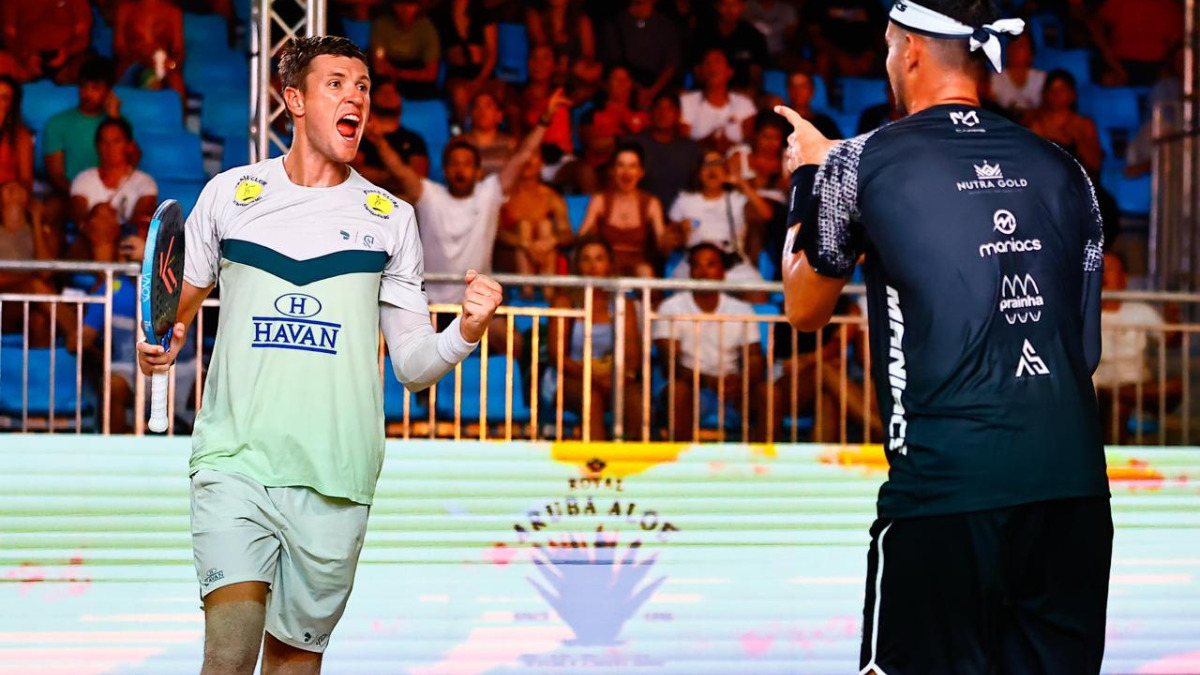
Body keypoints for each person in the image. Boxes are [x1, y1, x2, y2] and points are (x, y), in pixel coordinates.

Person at [135, 36, 502, 671]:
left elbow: (413, 366)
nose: (354, 95)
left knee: (292, 664)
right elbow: (174, 312)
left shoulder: (391, 217)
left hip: (338, 473)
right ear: (295, 101)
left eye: (362, 85)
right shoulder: (231, 195)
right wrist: (158, 346)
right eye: (336, 83)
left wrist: (463, 333)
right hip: (236, 460)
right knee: (228, 653)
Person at [777, 1, 1110, 672]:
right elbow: (1086, 349)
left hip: (946, 493)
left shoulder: (858, 163)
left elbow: (803, 309)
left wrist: (807, 175)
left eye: (886, 47)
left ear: (910, 52)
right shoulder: (1065, 169)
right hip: (1073, 492)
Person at [376, 88, 569, 315]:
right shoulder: (429, 195)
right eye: (454, 164)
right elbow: (399, 170)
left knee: (514, 343)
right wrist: (377, 140)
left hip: (475, 309)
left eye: (467, 164)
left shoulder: (488, 194)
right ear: (445, 170)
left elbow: (523, 155)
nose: (460, 170)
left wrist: (545, 119)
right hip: (427, 308)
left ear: (479, 172)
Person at [654, 243, 769, 442]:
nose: (703, 272)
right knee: (678, 390)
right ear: (689, 272)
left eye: (711, 265)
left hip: (733, 389)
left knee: (769, 393)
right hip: (691, 388)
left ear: (723, 273)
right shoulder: (671, 307)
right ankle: (680, 465)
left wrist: (741, 383)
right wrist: (710, 382)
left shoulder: (742, 310)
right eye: (697, 265)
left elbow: (755, 359)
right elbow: (669, 365)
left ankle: (764, 466)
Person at [545, 236, 644, 440]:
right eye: (586, 259)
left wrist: (613, 378)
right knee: (591, 397)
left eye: (599, 259)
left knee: (636, 399)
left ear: (609, 264)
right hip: (568, 377)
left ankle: (632, 466)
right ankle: (596, 467)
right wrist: (594, 379)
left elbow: (633, 357)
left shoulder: (623, 304)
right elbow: (558, 357)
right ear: (577, 265)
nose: (592, 265)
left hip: (612, 375)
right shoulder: (564, 301)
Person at [1093, 251, 1182, 443]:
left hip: (1138, 387)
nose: (1103, 275)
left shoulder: (1140, 311)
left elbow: (1170, 341)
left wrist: (1174, 320)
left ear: (1124, 278)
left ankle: (1115, 393)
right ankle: (1113, 466)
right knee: (1118, 405)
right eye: (1098, 269)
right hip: (1098, 390)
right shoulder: (1083, 315)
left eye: (1109, 269)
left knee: (1175, 387)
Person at [667, 150, 773, 283]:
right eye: (706, 165)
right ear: (698, 172)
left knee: (758, 294)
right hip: (694, 264)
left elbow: (766, 215)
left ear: (725, 171)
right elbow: (668, 241)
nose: (712, 169)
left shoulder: (737, 200)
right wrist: (680, 234)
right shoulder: (684, 201)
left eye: (717, 164)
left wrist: (741, 183)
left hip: (732, 264)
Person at [578, 142, 674, 278]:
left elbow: (662, 247)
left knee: (645, 271)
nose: (626, 172)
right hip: (605, 265)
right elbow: (582, 238)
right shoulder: (599, 200)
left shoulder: (651, 203)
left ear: (641, 172)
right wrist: (589, 234)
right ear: (612, 171)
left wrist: (670, 240)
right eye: (620, 165)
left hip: (637, 267)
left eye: (632, 166)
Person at [68, 118, 158, 245]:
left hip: (124, 247)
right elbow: (80, 218)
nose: (109, 148)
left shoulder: (145, 183)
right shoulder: (83, 179)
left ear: (129, 146)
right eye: (104, 142)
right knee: (100, 217)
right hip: (89, 245)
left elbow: (138, 222)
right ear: (97, 146)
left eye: (116, 141)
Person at [495, 149, 572, 298]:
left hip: (544, 256)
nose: (528, 162)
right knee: (524, 226)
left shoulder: (550, 197)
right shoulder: (503, 195)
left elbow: (566, 233)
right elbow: (495, 232)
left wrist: (549, 242)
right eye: (524, 157)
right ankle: (527, 292)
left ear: (541, 163)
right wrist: (524, 243)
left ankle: (548, 294)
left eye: (533, 157)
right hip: (509, 258)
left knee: (545, 226)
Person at [43, 57, 124, 195]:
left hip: (112, 194)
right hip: (71, 194)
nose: (88, 94)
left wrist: (114, 119)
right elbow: (56, 175)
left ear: (108, 92)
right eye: (84, 86)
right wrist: (80, 196)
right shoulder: (57, 123)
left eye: (96, 88)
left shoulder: (118, 123)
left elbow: (129, 164)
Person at [598, 0, 682, 110]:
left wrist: (652, 91)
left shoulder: (666, 26)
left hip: (657, 94)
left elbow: (671, 64)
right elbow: (613, 62)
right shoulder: (614, 23)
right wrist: (636, 89)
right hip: (625, 90)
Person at [352, 79, 430, 196]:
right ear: (371, 100)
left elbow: (418, 179)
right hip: (362, 197)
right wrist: (394, 177)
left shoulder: (414, 139)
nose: (388, 96)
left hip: (404, 200)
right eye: (383, 92)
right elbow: (353, 172)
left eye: (393, 92)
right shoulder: (358, 135)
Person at [628, 92, 704, 212]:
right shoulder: (633, 144)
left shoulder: (692, 148)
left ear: (678, 114)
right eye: (658, 107)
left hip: (682, 217)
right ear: (650, 113)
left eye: (669, 108)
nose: (663, 113)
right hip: (641, 215)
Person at [1029, 69, 1104, 177]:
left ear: (1072, 94)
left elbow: (1095, 165)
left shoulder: (1085, 124)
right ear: (1045, 94)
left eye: (1061, 90)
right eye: (1052, 90)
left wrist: (1080, 141)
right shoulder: (1037, 126)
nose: (1056, 95)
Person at [1090, 0, 1184, 86]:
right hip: (1119, 63)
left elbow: (1177, 48)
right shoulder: (1120, 2)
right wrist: (1112, 62)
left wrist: (1167, 69)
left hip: (1156, 67)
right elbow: (1096, 27)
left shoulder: (1169, 6)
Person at [680, 49, 758, 152]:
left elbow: (751, 142)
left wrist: (730, 145)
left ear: (729, 71)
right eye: (707, 63)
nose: (712, 68)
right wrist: (707, 142)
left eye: (717, 62)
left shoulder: (744, 103)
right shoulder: (686, 102)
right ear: (701, 71)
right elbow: (682, 143)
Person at [0, 0, 92, 84]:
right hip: (25, 59)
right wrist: (26, 55)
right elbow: (8, 35)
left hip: (68, 59)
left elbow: (82, 36)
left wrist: (66, 52)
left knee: (90, 68)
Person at [526, 0, 603, 100]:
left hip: (575, 81)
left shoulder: (582, 21)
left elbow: (589, 58)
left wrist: (579, 68)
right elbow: (541, 53)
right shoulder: (536, 17)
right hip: (546, 80)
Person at [113, 0, 187, 102]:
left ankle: (177, 115)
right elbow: (119, 48)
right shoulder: (125, 10)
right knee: (122, 72)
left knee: (176, 81)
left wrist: (169, 65)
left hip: (162, 66)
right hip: (131, 63)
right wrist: (139, 57)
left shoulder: (174, 13)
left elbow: (179, 52)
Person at [693, 0, 769, 93]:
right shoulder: (702, 34)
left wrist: (746, 94)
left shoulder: (754, 36)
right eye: (725, 5)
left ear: (743, 6)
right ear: (717, 6)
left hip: (743, 93)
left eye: (734, 5)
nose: (729, 10)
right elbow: (698, 72)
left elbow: (756, 77)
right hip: (707, 92)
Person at [369, 0, 441, 100]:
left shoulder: (427, 28)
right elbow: (379, 65)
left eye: (410, 4)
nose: (405, 9)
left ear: (418, 7)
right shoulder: (381, 25)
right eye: (400, 3)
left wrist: (401, 73)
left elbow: (431, 73)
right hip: (387, 75)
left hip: (414, 75)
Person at [803, 0, 888, 80]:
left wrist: (870, 54)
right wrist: (838, 55)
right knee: (822, 59)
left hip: (866, 53)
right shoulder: (817, 3)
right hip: (833, 52)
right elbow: (814, 35)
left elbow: (882, 31)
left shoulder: (870, 3)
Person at [432, 0, 497, 91]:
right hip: (457, 73)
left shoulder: (483, 13)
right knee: (460, 94)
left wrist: (480, 79)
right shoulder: (441, 14)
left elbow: (492, 53)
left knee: (499, 92)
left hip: (482, 71)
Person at [460, 89, 516, 177]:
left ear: (499, 115)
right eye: (477, 106)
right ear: (471, 114)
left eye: (488, 106)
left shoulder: (510, 143)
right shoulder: (461, 143)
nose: (482, 111)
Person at [988, 33, 1044, 121]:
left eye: (1021, 46)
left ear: (1031, 54)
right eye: (1012, 46)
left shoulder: (1042, 79)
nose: (1015, 50)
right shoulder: (994, 79)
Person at [592, 66, 650, 138]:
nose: (621, 82)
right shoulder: (595, 115)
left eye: (625, 79)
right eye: (616, 79)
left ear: (631, 84)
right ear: (607, 84)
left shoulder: (643, 117)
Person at [787, 71, 843, 140]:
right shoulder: (780, 121)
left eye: (803, 87)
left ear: (812, 91)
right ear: (788, 90)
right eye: (793, 86)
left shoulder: (825, 123)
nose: (798, 91)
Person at [0, 75, 33, 190]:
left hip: (8, 195)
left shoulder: (21, 135)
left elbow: (26, 181)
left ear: (11, 106)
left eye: (4, 98)